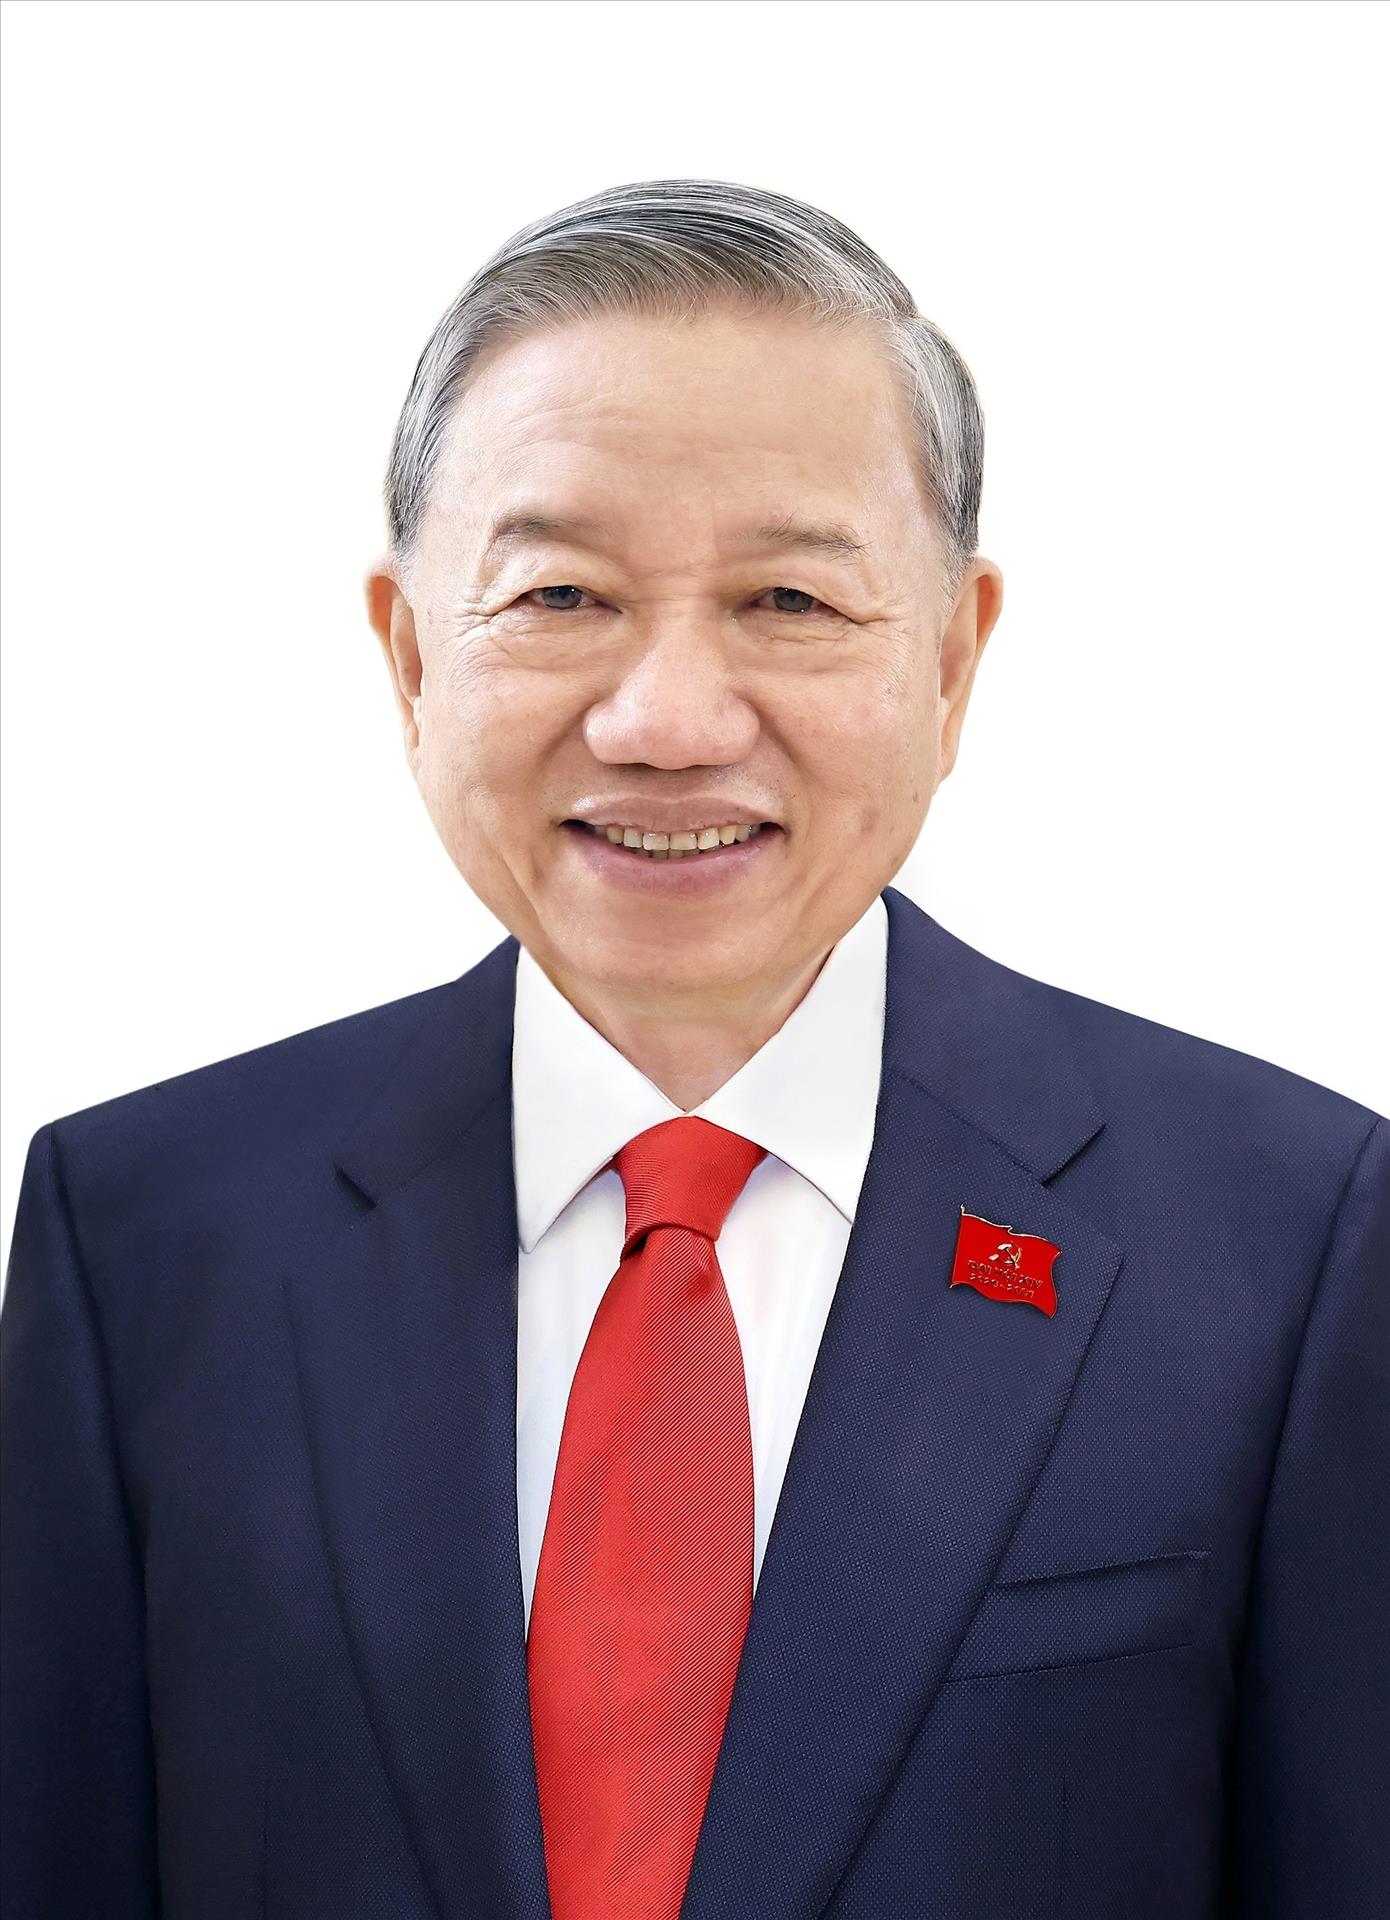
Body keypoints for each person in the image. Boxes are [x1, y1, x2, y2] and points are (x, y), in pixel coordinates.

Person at [2, 176, 1385, 1920]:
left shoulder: (1283, 1238)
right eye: (561, 596)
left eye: (788, 601)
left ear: (951, 660)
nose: (664, 721)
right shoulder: (143, 1235)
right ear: (410, 655)